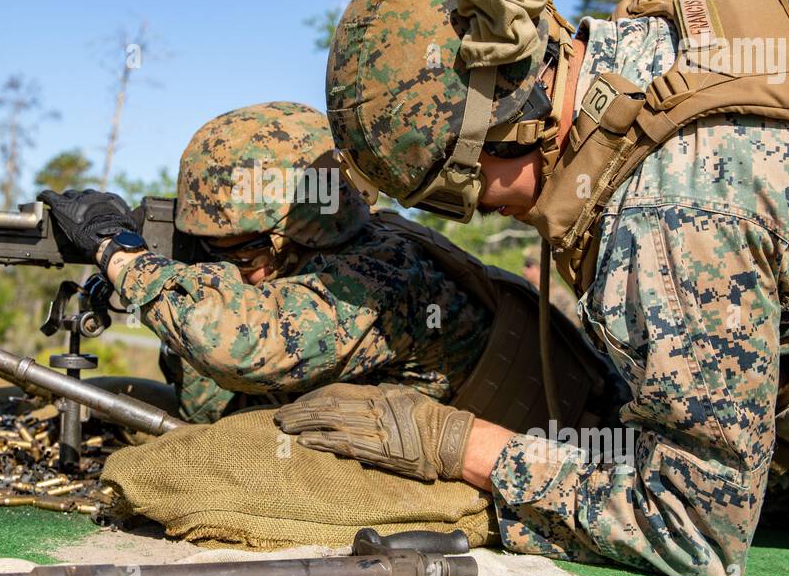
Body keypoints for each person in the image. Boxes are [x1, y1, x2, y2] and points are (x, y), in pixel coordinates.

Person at [276, 0, 789, 576]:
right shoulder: (639, 57)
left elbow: (695, 531)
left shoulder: (671, 206)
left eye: (451, 186)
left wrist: (459, 445)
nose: (469, 207)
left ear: (511, 121)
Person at [37, 102, 495, 423]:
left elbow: (236, 346)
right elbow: (208, 412)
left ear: (298, 235)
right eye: (210, 249)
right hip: (366, 440)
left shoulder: (377, 274)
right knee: (95, 400)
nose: (230, 273)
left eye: (241, 253)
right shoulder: (313, 259)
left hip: (464, 458)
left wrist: (121, 253)